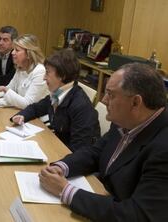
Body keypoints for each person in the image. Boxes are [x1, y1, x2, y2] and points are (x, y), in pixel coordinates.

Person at [39, 63, 168, 221]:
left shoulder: (163, 149)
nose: (104, 100)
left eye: (111, 94)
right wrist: (62, 167)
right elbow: (96, 152)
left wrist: (65, 191)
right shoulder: (126, 119)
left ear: (135, 102)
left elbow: (138, 215)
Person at [11, 49, 100, 152]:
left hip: (69, 158)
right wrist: (22, 115)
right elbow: (36, 108)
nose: (44, 78)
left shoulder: (81, 107)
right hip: (58, 146)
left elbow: (79, 150)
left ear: (62, 76)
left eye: (47, 73)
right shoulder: (58, 93)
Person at [0, 34, 48, 109]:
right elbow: (11, 89)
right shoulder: (21, 68)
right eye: (13, 49)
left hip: (38, 118)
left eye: (17, 50)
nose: (12, 53)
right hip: (21, 112)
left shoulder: (40, 71)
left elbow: (28, 104)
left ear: (29, 54)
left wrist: (4, 89)